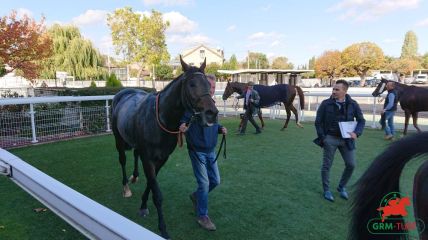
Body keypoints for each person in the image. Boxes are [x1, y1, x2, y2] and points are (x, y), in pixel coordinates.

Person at [179, 74, 227, 231]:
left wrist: (220, 129)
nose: (211, 90)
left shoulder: (211, 104)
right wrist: (182, 127)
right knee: (204, 183)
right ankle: (202, 216)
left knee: (216, 181)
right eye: (209, 87)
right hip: (197, 150)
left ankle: (196, 196)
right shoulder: (194, 105)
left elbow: (213, 124)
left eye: (213, 87)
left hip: (211, 150)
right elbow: (183, 122)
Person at [314, 79, 365, 202]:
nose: (334, 91)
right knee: (327, 165)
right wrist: (323, 138)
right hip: (330, 138)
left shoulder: (353, 104)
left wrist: (356, 133)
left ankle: (341, 187)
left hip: (347, 139)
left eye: (337, 89)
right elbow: (318, 122)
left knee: (351, 164)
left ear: (344, 91)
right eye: (333, 89)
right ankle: (326, 190)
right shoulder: (326, 103)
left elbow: (361, 120)